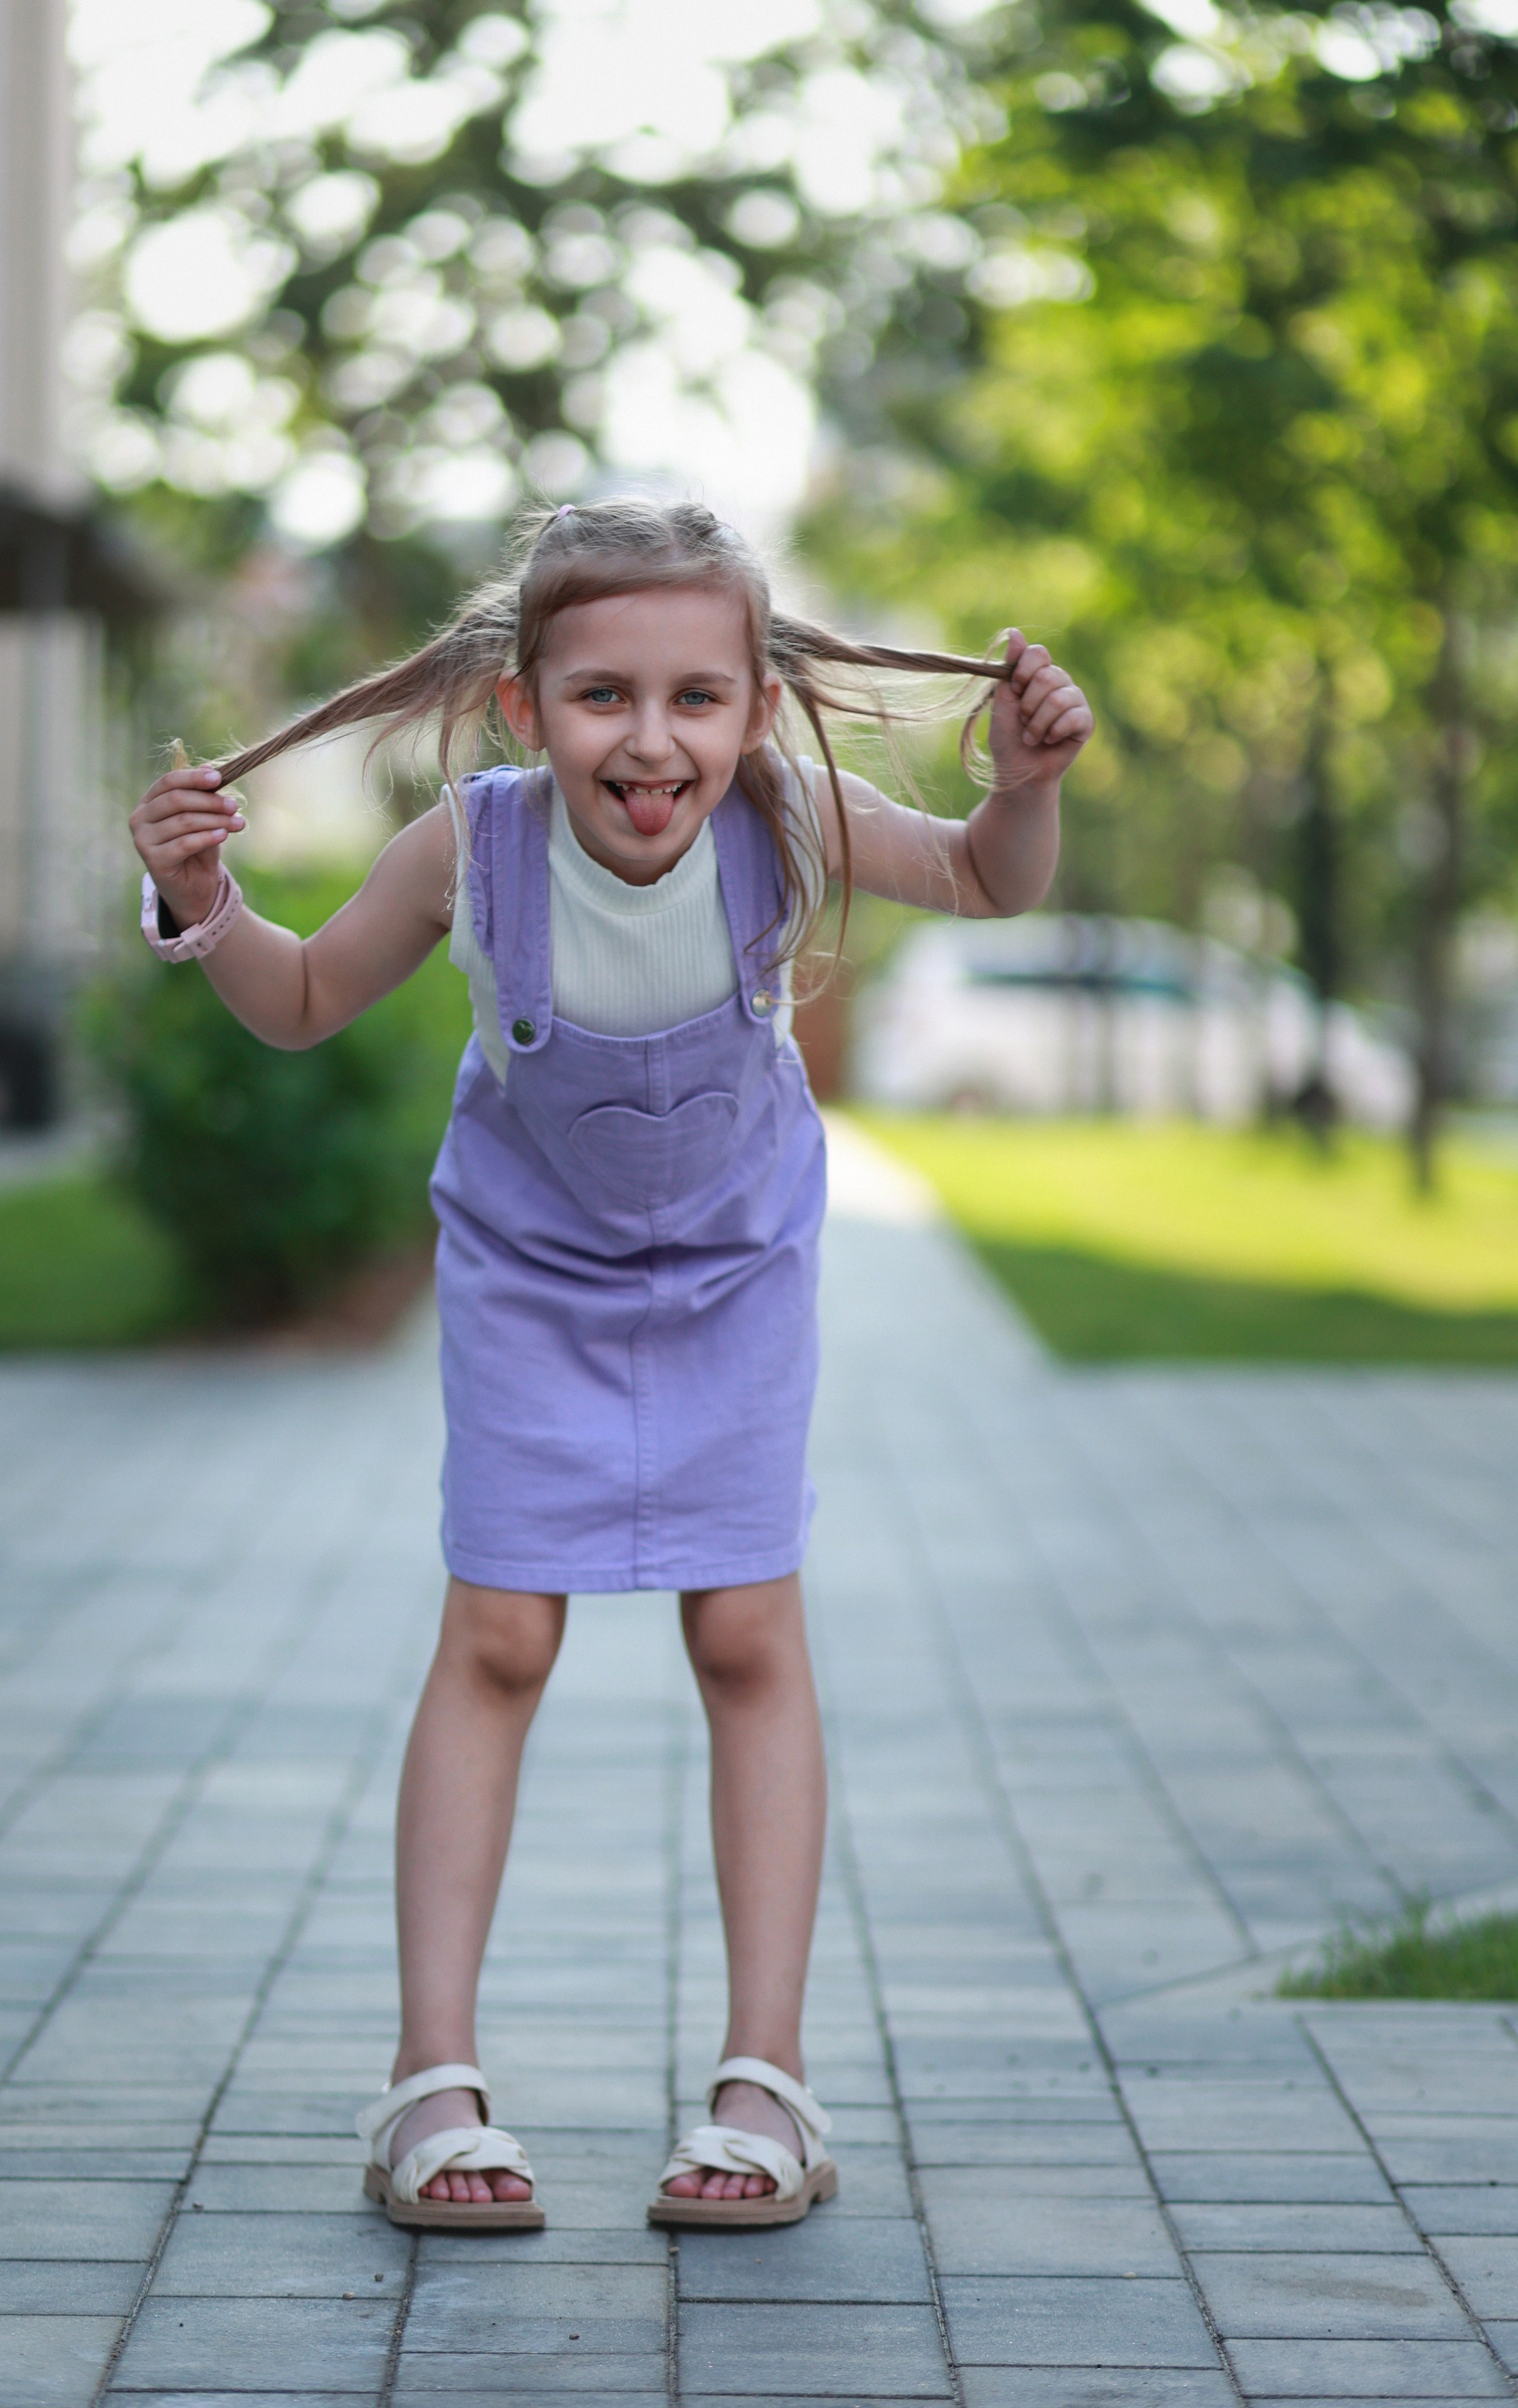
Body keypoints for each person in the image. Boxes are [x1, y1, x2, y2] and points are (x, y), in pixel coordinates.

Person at [129, 498, 1092, 2234]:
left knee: (747, 1635)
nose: (652, 742)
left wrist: (1022, 790)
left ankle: (764, 2080)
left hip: (735, 1278)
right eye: (602, 697)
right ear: (525, 705)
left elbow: (980, 875)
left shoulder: (787, 816)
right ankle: (431, 2078)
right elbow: (302, 999)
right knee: (498, 1637)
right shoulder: (473, 847)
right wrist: (204, 900)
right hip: (530, 1279)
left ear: (756, 705)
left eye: (697, 698)